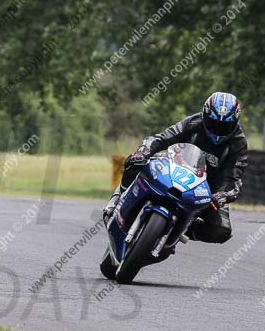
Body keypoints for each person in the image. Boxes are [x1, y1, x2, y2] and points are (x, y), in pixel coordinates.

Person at [103, 91, 248, 245]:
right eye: (214, 123)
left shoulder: (239, 142)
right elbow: (161, 138)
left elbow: (234, 179)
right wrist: (144, 152)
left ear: (235, 122)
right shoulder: (193, 122)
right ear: (205, 115)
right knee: (134, 162)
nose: (218, 131)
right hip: (174, 170)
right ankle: (118, 200)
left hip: (206, 191)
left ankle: (183, 229)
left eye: (225, 126)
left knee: (221, 230)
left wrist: (222, 195)